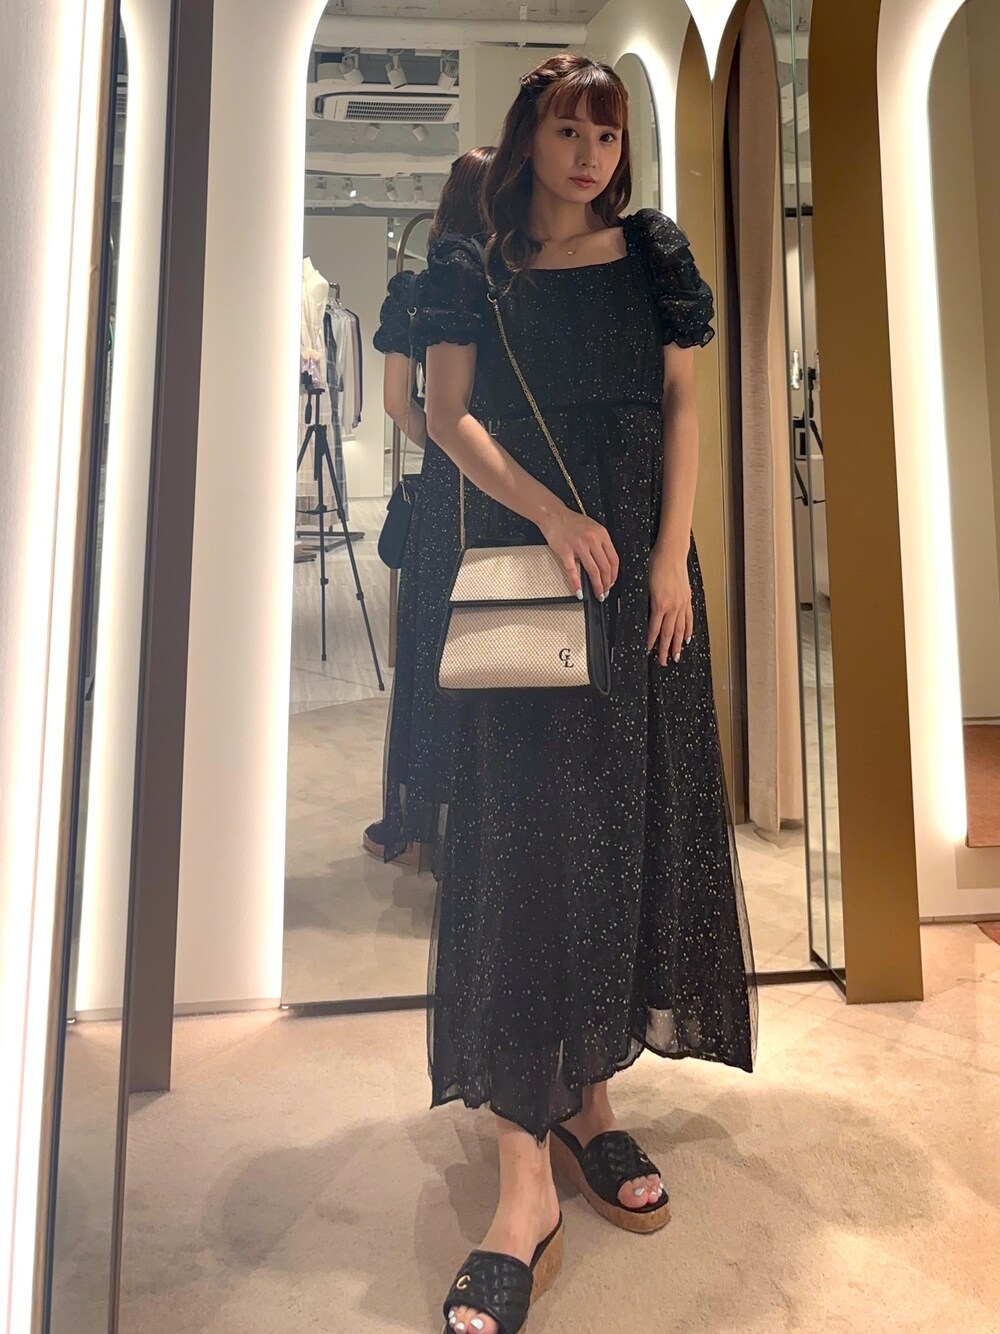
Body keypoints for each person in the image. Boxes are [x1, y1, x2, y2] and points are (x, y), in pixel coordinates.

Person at [415, 55, 758, 1334]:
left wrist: (671, 558)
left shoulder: (652, 255)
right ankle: (523, 1175)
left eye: (606, 135)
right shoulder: (477, 269)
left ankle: (592, 1098)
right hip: (535, 569)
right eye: (568, 129)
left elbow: (682, 404)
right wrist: (554, 511)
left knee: (622, 839)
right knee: (526, 846)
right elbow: (447, 415)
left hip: (641, 585)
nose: (589, 155)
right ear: (530, 136)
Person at [365, 147, 496, 871]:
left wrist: (444, 445)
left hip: (448, 487)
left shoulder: (415, 289)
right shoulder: (508, 284)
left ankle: (425, 822)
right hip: (510, 478)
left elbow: (396, 403)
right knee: (504, 634)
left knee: (438, 646)